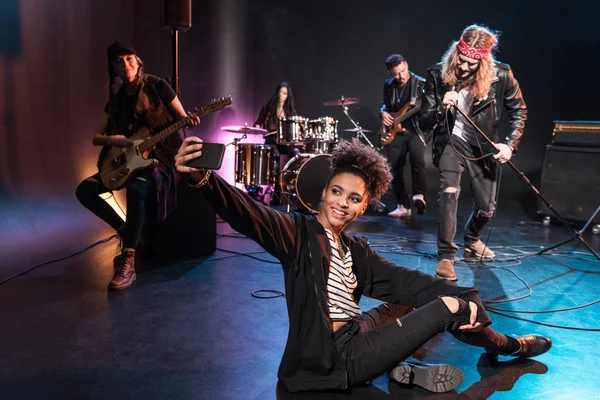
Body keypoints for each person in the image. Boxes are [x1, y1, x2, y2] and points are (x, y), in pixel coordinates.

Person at [174, 137, 551, 394]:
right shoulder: (296, 234)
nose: (342, 203)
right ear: (323, 192)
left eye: (354, 198)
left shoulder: (355, 250)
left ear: (364, 204)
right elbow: (249, 213)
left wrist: (471, 296)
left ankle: (403, 367)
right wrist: (203, 180)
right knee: (450, 308)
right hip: (333, 360)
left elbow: (412, 284)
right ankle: (509, 346)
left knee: (418, 300)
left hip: (358, 334)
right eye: (336, 192)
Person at [75, 41, 200, 291]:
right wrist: (117, 140)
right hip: (130, 161)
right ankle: (125, 230)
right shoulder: (116, 99)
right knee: (85, 190)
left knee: (136, 190)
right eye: (119, 61)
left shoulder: (156, 86)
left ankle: (129, 259)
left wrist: (192, 121)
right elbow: (97, 138)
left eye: (129, 59)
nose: (126, 64)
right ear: (113, 68)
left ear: (138, 61)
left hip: (163, 158)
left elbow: (182, 119)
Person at [421, 25, 527, 281]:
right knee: (449, 193)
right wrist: (441, 109)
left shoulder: (501, 75)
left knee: (486, 208)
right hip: (450, 142)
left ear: (484, 61)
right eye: (463, 61)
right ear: (456, 53)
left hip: (483, 147)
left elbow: (519, 111)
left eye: (472, 64)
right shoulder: (437, 73)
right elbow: (424, 120)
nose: (466, 68)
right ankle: (446, 255)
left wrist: (510, 145)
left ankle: (472, 238)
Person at [380, 54, 428, 219]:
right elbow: (385, 104)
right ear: (390, 74)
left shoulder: (421, 84)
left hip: (416, 130)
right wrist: (383, 112)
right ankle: (403, 206)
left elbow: (428, 107)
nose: (401, 76)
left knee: (417, 161)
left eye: (403, 71)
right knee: (394, 168)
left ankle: (418, 196)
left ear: (406, 65)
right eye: (396, 74)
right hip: (396, 132)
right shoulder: (388, 85)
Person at [254, 81, 300, 204]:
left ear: (287, 96)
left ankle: (295, 187)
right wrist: (258, 127)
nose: (281, 95)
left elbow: (296, 127)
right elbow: (258, 122)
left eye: (284, 93)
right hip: (271, 140)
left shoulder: (290, 110)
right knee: (274, 166)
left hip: (285, 142)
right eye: (280, 92)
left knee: (298, 157)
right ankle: (276, 195)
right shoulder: (268, 107)